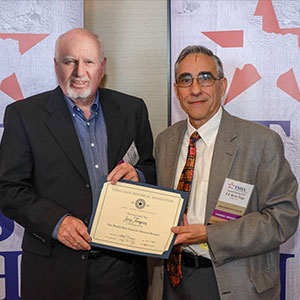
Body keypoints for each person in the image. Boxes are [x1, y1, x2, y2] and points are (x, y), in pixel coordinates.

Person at [0, 28, 155, 300]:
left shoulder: (133, 110)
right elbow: (7, 189)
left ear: (103, 66)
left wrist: (139, 176)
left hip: (120, 270)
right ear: (56, 65)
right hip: (54, 270)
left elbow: (151, 167)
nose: (79, 71)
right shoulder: (24, 116)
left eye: (89, 62)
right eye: (69, 61)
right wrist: (56, 222)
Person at [148, 45, 299, 300]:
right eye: (186, 80)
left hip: (234, 283)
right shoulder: (165, 141)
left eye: (205, 78)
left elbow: (282, 219)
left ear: (222, 85)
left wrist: (210, 234)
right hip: (171, 282)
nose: (195, 89)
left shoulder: (261, 142)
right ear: (176, 90)